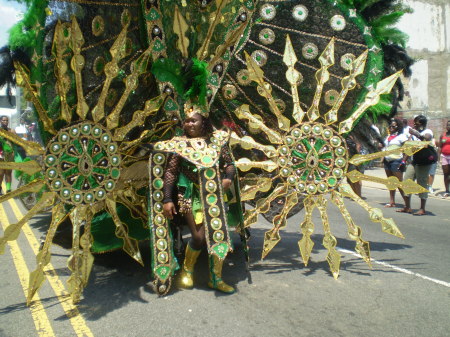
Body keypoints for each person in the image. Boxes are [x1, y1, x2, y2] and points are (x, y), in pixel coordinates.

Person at [149, 102, 243, 294]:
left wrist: (228, 178)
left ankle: (216, 279)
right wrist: (167, 199)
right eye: (187, 120)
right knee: (199, 237)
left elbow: (229, 163)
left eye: (194, 120)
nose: (190, 124)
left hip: (215, 195)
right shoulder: (179, 144)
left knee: (219, 237)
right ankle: (188, 270)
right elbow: (170, 173)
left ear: (203, 122)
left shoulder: (217, 140)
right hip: (191, 196)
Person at [397, 115, 436, 215]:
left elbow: (426, 138)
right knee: (406, 181)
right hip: (414, 161)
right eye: (414, 122)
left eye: (416, 122)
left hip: (423, 162)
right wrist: (403, 161)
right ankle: (407, 207)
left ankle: (422, 208)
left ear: (422, 124)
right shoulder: (412, 134)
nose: (414, 124)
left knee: (421, 183)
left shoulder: (428, 132)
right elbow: (409, 148)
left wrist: (416, 133)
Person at [383, 118, 408, 207]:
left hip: (397, 161)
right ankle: (392, 201)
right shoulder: (388, 137)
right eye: (390, 126)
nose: (391, 127)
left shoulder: (402, 136)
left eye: (393, 126)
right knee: (391, 182)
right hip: (387, 161)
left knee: (399, 183)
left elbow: (407, 150)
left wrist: (404, 161)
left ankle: (407, 203)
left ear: (398, 127)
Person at [0, 115, 14, 195]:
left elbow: (17, 142)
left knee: (8, 172)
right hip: (1, 155)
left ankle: (8, 189)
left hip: (10, 155)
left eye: (6, 120)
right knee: (1, 173)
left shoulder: (11, 131)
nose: (5, 122)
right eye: (3, 120)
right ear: (0, 121)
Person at [438, 120, 450, 197]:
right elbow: (440, 146)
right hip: (444, 156)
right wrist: (438, 157)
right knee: (446, 174)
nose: (449, 126)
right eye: (448, 125)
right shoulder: (443, 135)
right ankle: (447, 191)